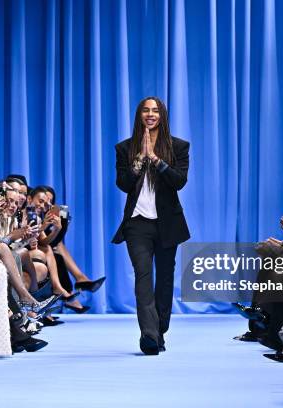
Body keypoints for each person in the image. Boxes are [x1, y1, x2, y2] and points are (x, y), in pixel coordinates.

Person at [112, 96, 190, 355]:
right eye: (146, 110)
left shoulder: (178, 146)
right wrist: (139, 161)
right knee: (143, 276)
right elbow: (123, 184)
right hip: (137, 224)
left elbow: (179, 181)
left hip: (168, 223)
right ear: (139, 115)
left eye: (155, 110)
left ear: (162, 115)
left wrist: (156, 160)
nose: (150, 114)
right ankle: (148, 334)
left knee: (165, 279)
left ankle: (160, 330)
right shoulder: (124, 148)